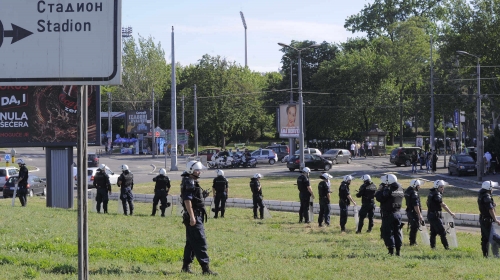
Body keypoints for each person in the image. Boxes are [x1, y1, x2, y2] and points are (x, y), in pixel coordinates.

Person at [180, 161, 217, 275]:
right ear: (191, 170)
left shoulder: (190, 181)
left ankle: (185, 267)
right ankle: (205, 269)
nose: (199, 172)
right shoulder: (190, 181)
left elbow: (193, 198)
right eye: (197, 170)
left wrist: (202, 195)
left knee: (191, 242)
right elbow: (187, 200)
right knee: (200, 241)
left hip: (195, 215)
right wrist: (192, 217)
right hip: (194, 216)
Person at [375, 174, 404, 256]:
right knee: (397, 232)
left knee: (387, 233)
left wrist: (380, 189)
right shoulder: (400, 188)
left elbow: (379, 198)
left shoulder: (388, 189)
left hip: (389, 214)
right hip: (398, 213)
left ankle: (391, 251)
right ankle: (398, 251)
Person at [426, 180, 456, 250]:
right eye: (441, 187)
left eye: (443, 187)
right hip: (435, 216)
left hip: (431, 215)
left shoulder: (431, 193)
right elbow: (443, 204)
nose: (443, 188)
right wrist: (451, 213)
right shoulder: (437, 194)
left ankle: (433, 247)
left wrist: (431, 208)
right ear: (437, 187)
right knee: (442, 232)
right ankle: (447, 248)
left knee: (433, 232)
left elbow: (427, 202)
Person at [477, 180, 500, 257]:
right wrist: (496, 219)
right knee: (494, 238)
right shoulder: (487, 196)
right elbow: (490, 209)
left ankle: (486, 255)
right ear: (489, 188)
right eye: (492, 187)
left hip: (483, 219)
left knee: (485, 239)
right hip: (487, 220)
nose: (492, 189)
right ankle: (495, 255)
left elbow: (486, 206)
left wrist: (493, 204)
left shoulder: (481, 195)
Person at [404, 179, 424, 246]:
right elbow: (416, 205)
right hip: (413, 212)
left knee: (413, 226)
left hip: (409, 211)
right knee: (415, 227)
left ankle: (412, 240)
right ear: (415, 186)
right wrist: (419, 214)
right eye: (418, 186)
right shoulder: (414, 193)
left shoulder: (408, 191)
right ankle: (412, 242)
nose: (419, 187)